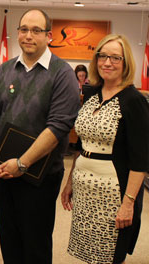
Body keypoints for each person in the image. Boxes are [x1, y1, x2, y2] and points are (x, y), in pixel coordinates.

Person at [0, 9, 80, 263]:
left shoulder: (63, 74)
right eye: (24, 29)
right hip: (6, 172)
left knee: (35, 245)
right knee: (9, 240)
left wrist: (22, 163)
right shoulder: (4, 70)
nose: (28, 36)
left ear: (49, 35)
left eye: (36, 30)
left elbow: (58, 127)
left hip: (40, 175)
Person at [61, 34, 149, 264]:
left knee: (109, 254)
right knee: (89, 251)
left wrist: (129, 203)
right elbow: (81, 145)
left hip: (113, 193)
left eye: (115, 57)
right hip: (84, 187)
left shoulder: (133, 101)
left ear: (126, 62)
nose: (107, 62)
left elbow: (141, 159)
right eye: (102, 56)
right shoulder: (92, 94)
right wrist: (70, 182)